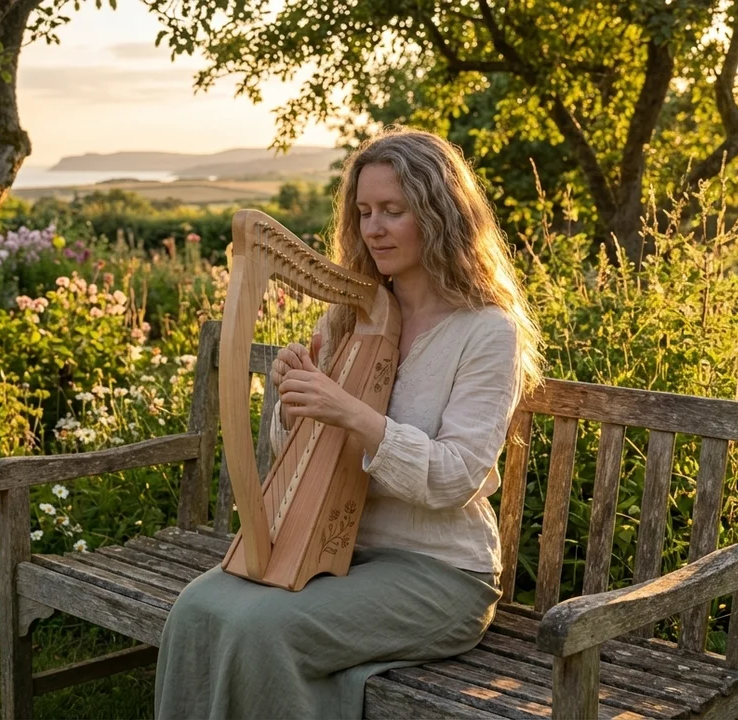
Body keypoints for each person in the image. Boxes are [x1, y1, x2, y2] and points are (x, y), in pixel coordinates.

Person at [154, 126, 545, 720]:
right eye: (364, 212)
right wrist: (295, 405)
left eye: (393, 210)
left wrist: (350, 411)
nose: (373, 228)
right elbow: (316, 454)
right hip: (339, 552)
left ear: (439, 215)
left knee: (263, 629)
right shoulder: (356, 317)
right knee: (196, 607)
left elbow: (457, 477)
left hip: (441, 573)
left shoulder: (485, 330)